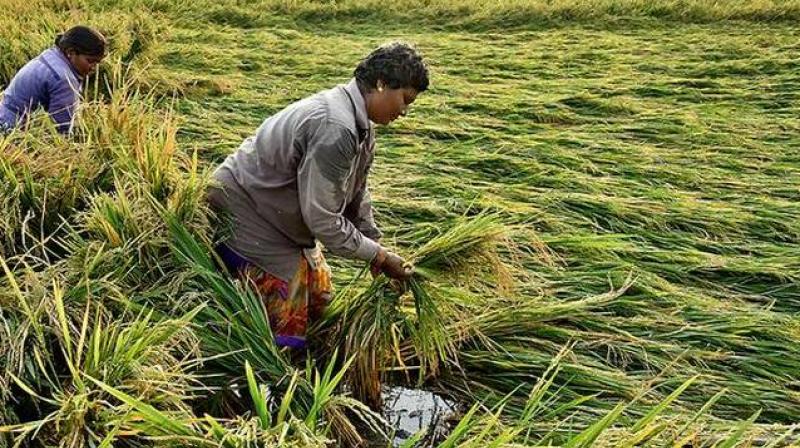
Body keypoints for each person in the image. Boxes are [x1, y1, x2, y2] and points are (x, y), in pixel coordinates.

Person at [208, 42, 429, 349]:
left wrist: (376, 246)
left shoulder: (361, 124)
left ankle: (301, 361)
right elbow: (323, 220)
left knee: (321, 300)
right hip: (246, 211)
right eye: (405, 99)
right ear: (381, 84)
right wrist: (378, 256)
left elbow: (356, 193)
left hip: (282, 215)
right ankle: (267, 375)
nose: (405, 111)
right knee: (290, 318)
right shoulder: (335, 127)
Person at [0, 26, 106, 135]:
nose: (94, 67)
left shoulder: (51, 55)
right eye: (90, 61)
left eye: (97, 63)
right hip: (11, 129)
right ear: (71, 52)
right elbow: (62, 128)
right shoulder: (64, 79)